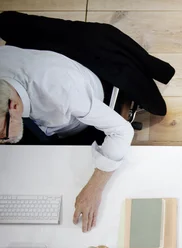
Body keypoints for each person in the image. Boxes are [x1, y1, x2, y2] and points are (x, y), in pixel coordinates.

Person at [0, 45, 134, 232]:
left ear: (13, 106)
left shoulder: (62, 92)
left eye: (1, 135)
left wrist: (94, 188)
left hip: (80, 114)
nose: (2, 141)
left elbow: (122, 130)